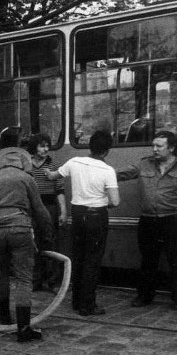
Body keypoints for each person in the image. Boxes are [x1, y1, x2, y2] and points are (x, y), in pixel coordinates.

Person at [0, 147, 53, 342]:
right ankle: (23, 329)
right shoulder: (25, 178)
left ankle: (5, 318)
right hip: (20, 230)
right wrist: (47, 237)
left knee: (1, 275)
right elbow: (40, 210)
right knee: (23, 278)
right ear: (23, 162)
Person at [46, 130, 120, 316]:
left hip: (78, 216)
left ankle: (76, 301)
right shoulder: (107, 171)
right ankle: (87, 306)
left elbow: (52, 176)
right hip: (97, 216)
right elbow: (115, 201)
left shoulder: (74, 162)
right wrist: (103, 202)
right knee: (92, 261)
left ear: (90, 146)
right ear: (107, 151)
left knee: (78, 258)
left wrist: (45, 169)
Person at [116, 130, 177, 309]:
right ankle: (144, 296)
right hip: (148, 221)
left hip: (172, 220)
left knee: (176, 260)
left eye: (159, 146)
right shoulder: (144, 164)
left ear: (172, 148)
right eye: (153, 145)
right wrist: (95, 171)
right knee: (148, 260)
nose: (154, 149)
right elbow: (120, 174)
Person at [26, 134, 67, 292]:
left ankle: (53, 282)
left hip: (49, 207)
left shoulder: (53, 164)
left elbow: (60, 190)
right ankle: (36, 280)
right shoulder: (27, 165)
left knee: (51, 243)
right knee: (32, 243)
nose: (46, 149)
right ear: (34, 147)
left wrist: (63, 211)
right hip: (32, 207)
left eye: (47, 146)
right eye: (42, 146)